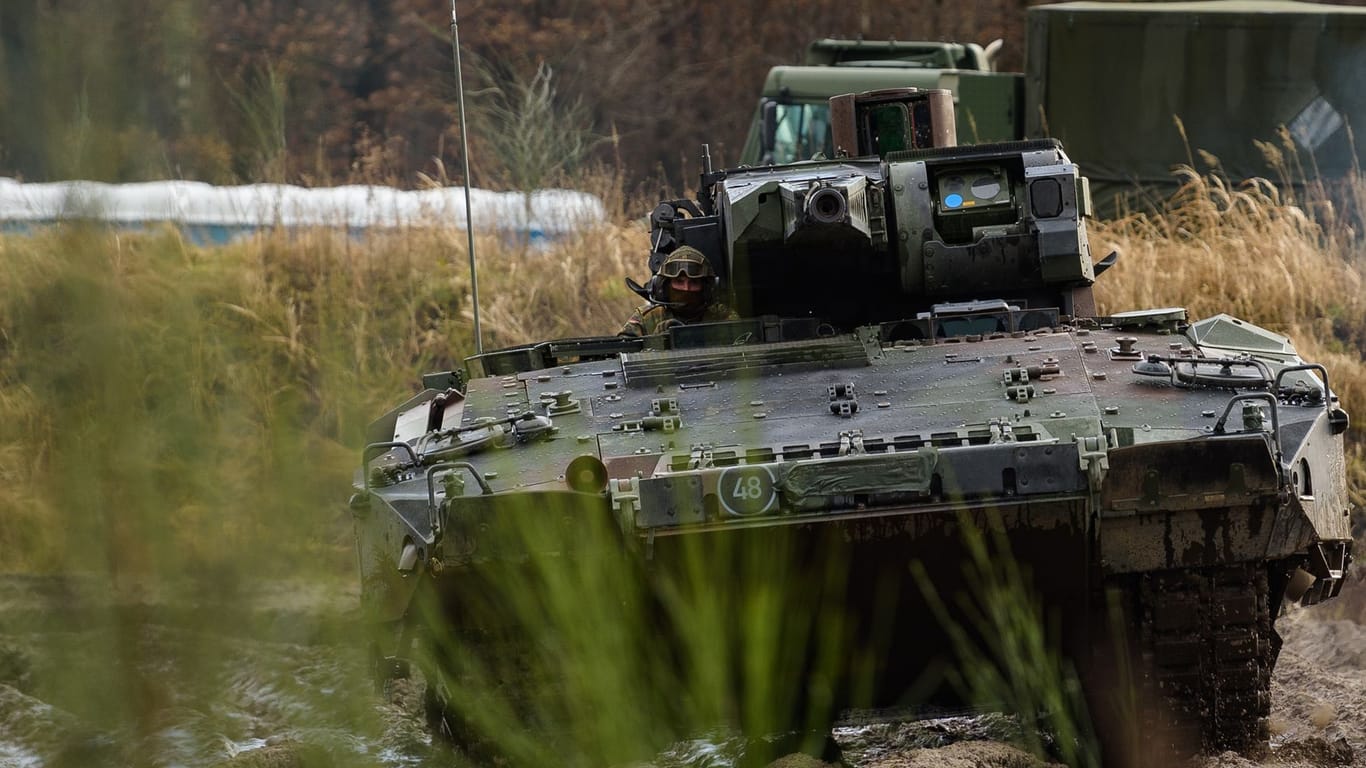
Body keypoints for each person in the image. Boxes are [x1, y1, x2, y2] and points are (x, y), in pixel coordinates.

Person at [619, 246, 737, 336]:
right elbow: (620, 356)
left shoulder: (723, 317)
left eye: (694, 282)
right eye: (679, 282)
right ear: (664, 286)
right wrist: (655, 343)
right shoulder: (646, 319)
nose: (686, 289)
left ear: (706, 288)